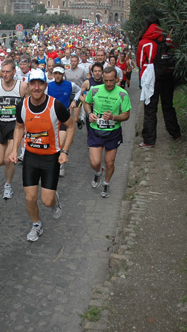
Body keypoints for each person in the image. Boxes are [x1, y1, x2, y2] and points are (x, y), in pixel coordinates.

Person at [9, 69, 76, 242]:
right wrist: (14, 149)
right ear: (28, 85)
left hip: (50, 158)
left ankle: (54, 199)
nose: (36, 87)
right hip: (31, 157)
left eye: (40, 83)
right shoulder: (21, 106)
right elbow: (18, 127)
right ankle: (36, 225)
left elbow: (70, 126)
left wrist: (65, 151)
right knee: (30, 197)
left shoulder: (56, 106)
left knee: (46, 201)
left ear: (46, 85)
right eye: (33, 83)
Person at [83, 66, 131, 198]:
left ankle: (106, 184)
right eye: (106, 81)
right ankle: (98, 172)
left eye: (111, 81)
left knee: (110, 162)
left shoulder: (122, 94)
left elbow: (127, 115)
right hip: (96, 130)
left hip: (112, 132)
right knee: (95, 162)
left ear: (116, 79)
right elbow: (87, 103)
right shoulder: (95, 90)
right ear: (102, 79)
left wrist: (114, 117)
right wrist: (89, 113)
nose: (109, 84)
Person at [0, 60, 29, 199]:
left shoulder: (22, 87)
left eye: (7, 72)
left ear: (14, 72)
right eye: (2, 72)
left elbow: (28, 104)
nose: (5, 74)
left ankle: (8, 185)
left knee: (8, 159)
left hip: (15, 125)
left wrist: (27, 124)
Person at [136, 15, 181, 147]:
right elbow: (175, 50)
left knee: (150, 108)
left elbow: (140, 62)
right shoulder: (166, 37)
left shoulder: (144, 41)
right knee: (168, 104)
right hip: (167, 74)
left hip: (152, 76)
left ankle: (149, 140)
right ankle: (175, 133)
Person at [47, 66, 81, 177]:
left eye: (59, 74)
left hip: (64, 116)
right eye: (55, 73)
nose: (57, 76)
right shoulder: (48, 86)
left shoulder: (69, 85)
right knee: (51, 140)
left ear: (63, 75)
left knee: (60, 141)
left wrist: (75, 101)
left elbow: (79, 90)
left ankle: (60, 164)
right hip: (51, 116)